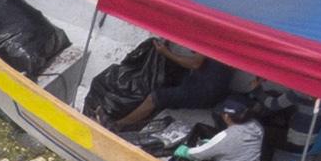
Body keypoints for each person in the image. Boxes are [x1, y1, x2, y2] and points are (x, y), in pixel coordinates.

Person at [95, 41, 234, 135]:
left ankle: (118, 125)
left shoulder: (210, 38)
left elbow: (195, 64)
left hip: (204, 90)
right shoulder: (225, 39)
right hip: (213, 87)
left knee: (154, 98)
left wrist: (166, 53)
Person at [171, 97, 266, 161]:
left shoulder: (227, 136)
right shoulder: (256, 126)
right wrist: (213, 145)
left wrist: (183, 151)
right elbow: (237, 146)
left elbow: (198, 155)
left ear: (226, 116)